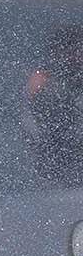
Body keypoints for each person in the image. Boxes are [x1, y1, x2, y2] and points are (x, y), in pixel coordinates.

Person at [23, 23, 83, 185]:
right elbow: (32, 120)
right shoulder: (43, 77)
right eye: (68, 50)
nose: (75, 55)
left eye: (78, 50)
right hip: (54, 147)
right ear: (56, 53)